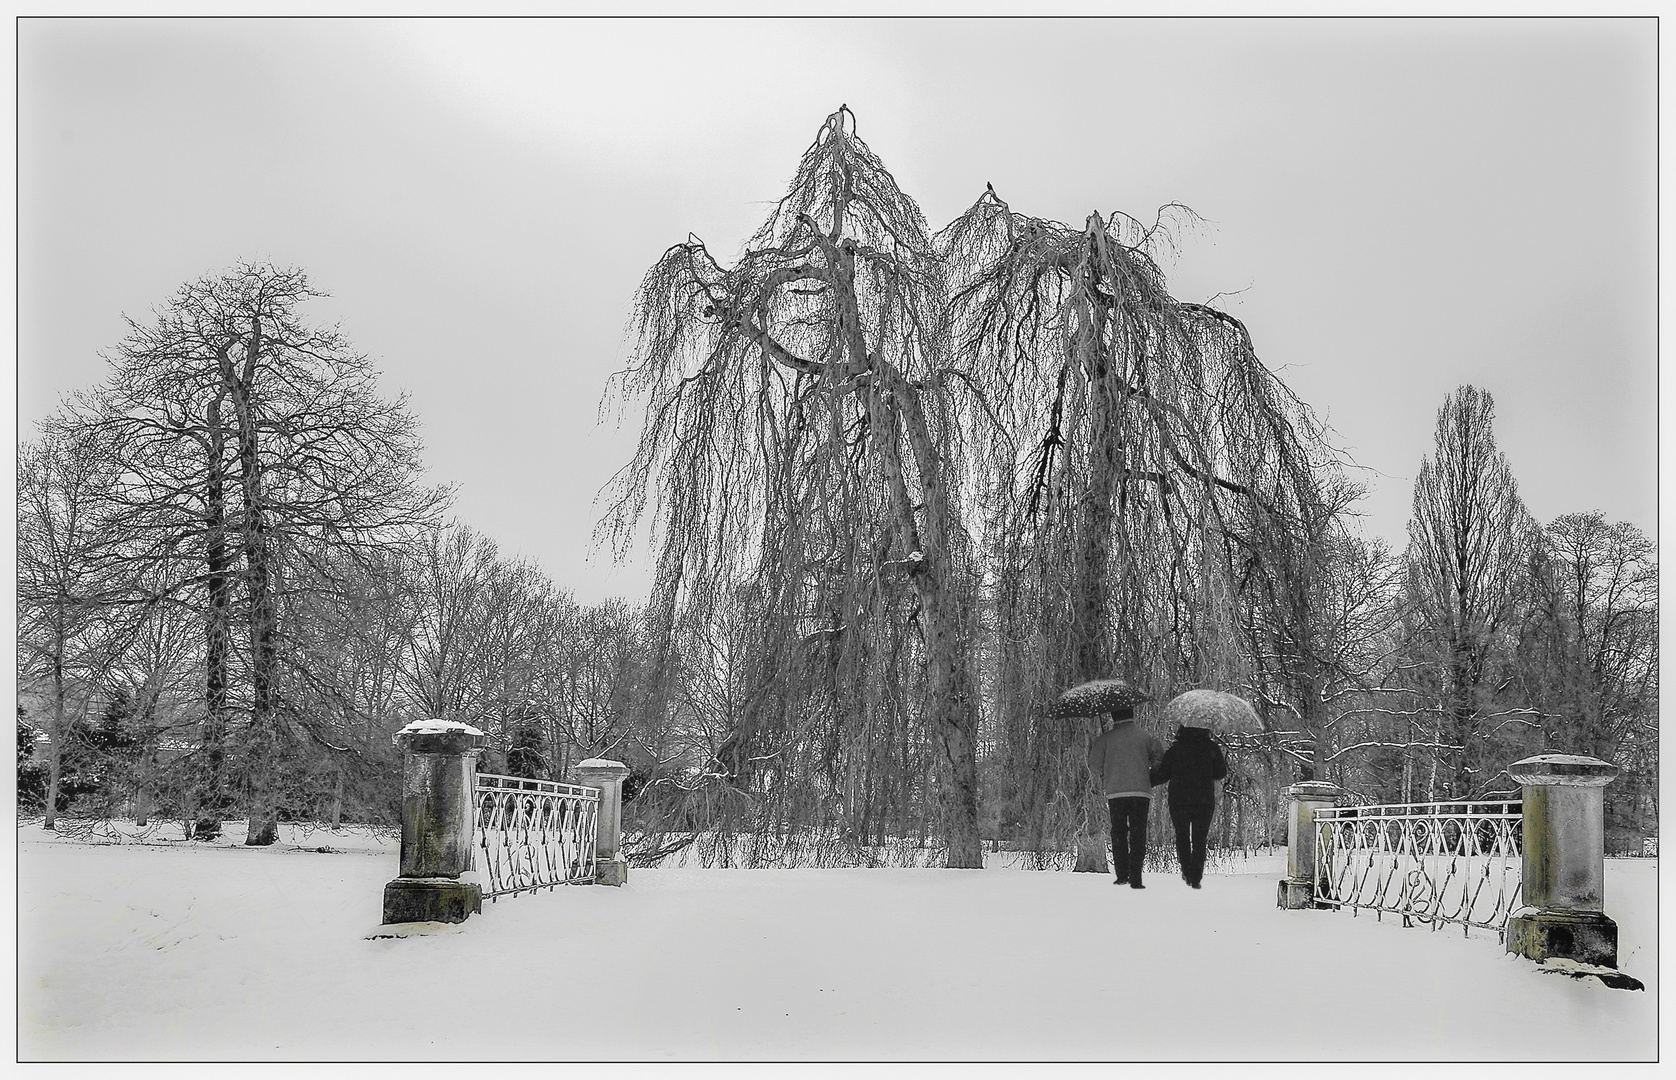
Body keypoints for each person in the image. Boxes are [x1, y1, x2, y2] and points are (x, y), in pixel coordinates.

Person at [1087, 706, 1165, 889]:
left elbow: (1094, 765)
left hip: (1116, 792)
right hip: (1141, 792)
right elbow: (1159, 758)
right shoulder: (1146, 737)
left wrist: (1108, 763)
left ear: (1113, 717)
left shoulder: (1106, 738)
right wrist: (1149, 772)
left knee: (1119, 832)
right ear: (1132, 715)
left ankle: (1122, 875)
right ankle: (1136, 877)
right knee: (1138, 834)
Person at [1150, 724, 1229, 888]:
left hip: (1179, 800)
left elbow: (1163, 774)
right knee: (1200, 838)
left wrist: (1144, 780)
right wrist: (1206, 771)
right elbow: (1221, 773)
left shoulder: (1176, 749)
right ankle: (1196, 876)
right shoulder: (1211, 748)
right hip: (1204, 799)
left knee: (1182, 836)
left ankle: (1186, 870)